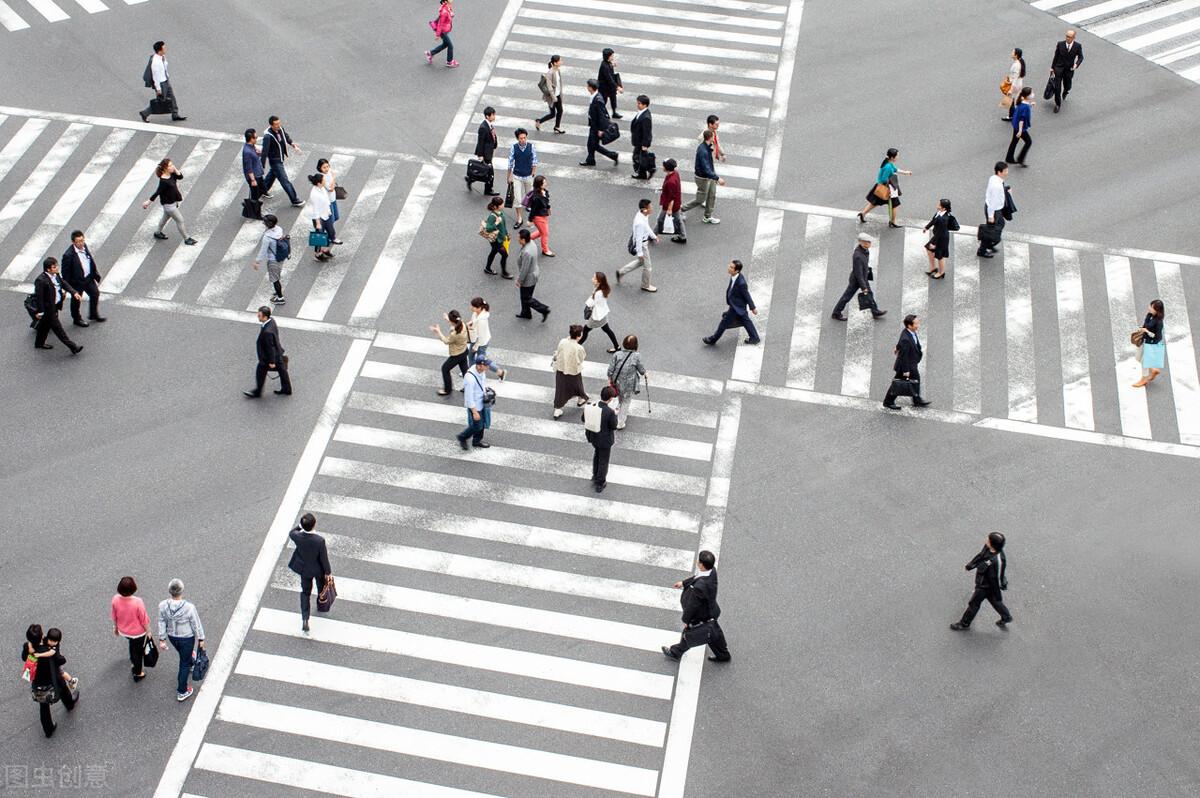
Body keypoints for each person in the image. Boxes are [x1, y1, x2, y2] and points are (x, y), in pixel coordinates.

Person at [662, 550, 731, 662]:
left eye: (699, 561)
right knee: (713, 631)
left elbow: (692, 606)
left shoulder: (700, 587)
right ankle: (723, 655)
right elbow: (696, 577)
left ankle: (675, 653)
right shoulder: (711, 572)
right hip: (710, 611)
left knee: (689, 634)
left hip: (700, 615)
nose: (697, 562)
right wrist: (684, 583)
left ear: (702, 565)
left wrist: (686, 620)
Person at [950, 532, 1013, 631]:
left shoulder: (998, 560)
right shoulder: (988, 548)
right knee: (995, 602)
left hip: (986, 586)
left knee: (974, 604)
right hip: (983, 580)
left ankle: (964, 623)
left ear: (993, 544)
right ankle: (1006, 617)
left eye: (988, 539)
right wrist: (970, 565)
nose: (986, 539)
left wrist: (1001, 586)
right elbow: (981, 556)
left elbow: (999, 576)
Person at [157, 579, 206, 702]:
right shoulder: (189, 607)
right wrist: (201, 638)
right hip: (187, 637)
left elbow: (161, 621)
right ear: (182, 591)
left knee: (184, 655)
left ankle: (190, 660)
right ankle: (182, 690)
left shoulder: (163, 605)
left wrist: (162, 639)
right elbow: (196, 624)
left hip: (172, 636)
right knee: (183, 664)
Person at [24, 625, 77, 737]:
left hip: (37, 682)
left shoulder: (28, 648)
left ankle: (48, 729)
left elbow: (24, 657)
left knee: (43, 706)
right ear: (40, 637)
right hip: (53, 679)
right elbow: (60, 660)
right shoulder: (47, 650)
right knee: (63, 689)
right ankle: (70, 704)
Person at [288, 512, 332, 633]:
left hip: (304, 570)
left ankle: (305, 619)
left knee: (305, 592)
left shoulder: (297, 536)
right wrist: (328, 571)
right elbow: (324, 558)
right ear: (314, 524)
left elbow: (291, 532)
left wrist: (299, 526)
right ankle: (321, 604)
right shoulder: (319, 541)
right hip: (318, 569)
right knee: (321, 587)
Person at [703, 259, 760, 345]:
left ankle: (712, 340)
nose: (729, 268)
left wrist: (753, 308)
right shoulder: (734, 276)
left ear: (737, 270)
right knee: (745, 320)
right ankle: (755, 338)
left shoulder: (741, 283)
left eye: (731, 267)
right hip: (736, 305)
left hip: (736, 306)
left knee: (724, 323)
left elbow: (747, 295)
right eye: (730, 266)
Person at [32, 257, 83, 354]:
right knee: (59, 329)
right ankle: (73, 347)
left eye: (56, 266)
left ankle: (39, 343)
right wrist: (40, 311)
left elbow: (63, 283)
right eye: (54, 267)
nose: (57, 268)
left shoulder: (56, 275)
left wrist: (74, 292)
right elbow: (39, 298)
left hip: (55, 306)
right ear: (48, 269)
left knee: (44, 326)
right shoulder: (41, 281)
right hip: (48, 309)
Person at [142, 158, 197, 245]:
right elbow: (157, 192)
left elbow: (180, 177)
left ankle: (157, 233)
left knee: (164, 219)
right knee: (180, 220)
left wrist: (175, 169)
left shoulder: (172, 174)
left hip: (173, 202)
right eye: (170, 165)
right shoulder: (163, 181)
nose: (172, 166)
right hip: (169, 205)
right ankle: (187, 239)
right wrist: (148, 202)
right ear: (165, 168)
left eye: (172, 164)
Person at [832, 233, 886, 320]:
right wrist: (863, 287)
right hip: (857, 280)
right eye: (868, 242)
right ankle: (836, 313)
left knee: (869, 294)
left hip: (863, 277)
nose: (870, 243)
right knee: (847, 297)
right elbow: (858, 273)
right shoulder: (858, 256)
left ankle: (875, 311)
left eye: (869, 242)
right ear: (862, 242)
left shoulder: (865, 250)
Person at [883, 314, 932, 409]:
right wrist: (906, 371)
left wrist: (897, 347)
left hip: (912, 363)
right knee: (897, 383)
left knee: (916, 380)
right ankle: (888, 402)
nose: (918, 325)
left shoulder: (909, 332)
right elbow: (903, 356)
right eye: (916, 323)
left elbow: (901, 342)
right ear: (909, 325)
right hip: (906, 366)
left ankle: (916, 400)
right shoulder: (906, 338)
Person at [244, 305, 292, 397]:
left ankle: (258, 392)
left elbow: (270, 347)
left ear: (265, 317)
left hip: (268, 357)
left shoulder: (267, 332)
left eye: (259, 315)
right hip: (278, 352)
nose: (258, 317)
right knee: (282, 370)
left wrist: (271, 361)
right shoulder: (271, 321)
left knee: (260, 372)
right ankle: (287, 389)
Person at [858, 148, 912, 228]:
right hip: (885, 188)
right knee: (894, 205)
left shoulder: (888, 163)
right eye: (897, 156)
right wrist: (889, 188)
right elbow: (884, 179)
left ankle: (863, 214)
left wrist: (906, 172)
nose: (898, 157)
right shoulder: (888, 167)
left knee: (874, 203)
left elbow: (895, 169)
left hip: (879, 187)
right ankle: (892, 222)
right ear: (892, 157)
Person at [111, 576, 152, 681]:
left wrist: (116, 628)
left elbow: (114, 615)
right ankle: (138, 672)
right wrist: (148, 631)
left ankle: (133, 659)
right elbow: (144, 619)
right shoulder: (138, 602)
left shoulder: (115, 599)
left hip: (123, 630)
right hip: (138, 633)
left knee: (132, 645)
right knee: (137, 652)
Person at [60, 230, 105, 326]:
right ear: (73, 242)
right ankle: (76, 319)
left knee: (95, 294)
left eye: (82, 240)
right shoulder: (68, 255)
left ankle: (93, 314)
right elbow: (65, 273)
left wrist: (94, 274)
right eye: (78, 241)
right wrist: (67, 287)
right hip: (77, 282)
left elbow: (89, 260)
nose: (81, 243)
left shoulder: (84, 247)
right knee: (76, 301)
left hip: (88, 278)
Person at [679, 129, 723, 225]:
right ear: (710, 138)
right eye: (713, 137)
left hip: (709, 176)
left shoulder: (706, 146)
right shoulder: (703, 150)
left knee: (712, 194)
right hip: (703, 178)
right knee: (700, 199)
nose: (714, 138)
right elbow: (706, 168)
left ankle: (707, 216)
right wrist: (717, 178)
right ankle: (681, 208)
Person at [260, 116, 304, 207]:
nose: (278, 126)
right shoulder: (268, 137)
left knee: (272, 175)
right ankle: (294, 200)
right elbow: (264, 151)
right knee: (285, 181)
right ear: (271, 125)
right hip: (275, 161)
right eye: (276, 124)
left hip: (279, 158)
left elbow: (285, 136)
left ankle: (261, 190)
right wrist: (262, 165)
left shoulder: (280, 129)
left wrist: (293, 144)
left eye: (279, 123)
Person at [616, 198, 658, 292]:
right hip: (642, 245)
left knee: (640, 262)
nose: (652, 208)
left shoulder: (642, 215)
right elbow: (639, 239)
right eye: (650, 207)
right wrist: (640, 253)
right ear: (645, 209)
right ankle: (645, 285)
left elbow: (647, 227)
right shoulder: (640, 223)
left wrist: (653, 236)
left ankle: (621, 272)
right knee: (648, 267)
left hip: (643, 243)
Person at [139, 40, 186, 122]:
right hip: (161, 84)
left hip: (166, 80)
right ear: (159, 50)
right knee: (160, 102)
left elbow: (165, 66)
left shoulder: (162, 57)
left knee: (172, 98)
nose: (166, 49)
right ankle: (145, 113)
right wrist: (158, 89)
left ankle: (175, 114)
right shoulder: (155, 62)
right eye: (164, 48)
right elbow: (155, 76)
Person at [583, 385, 619, 491]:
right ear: (611, 399)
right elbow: (614, 426)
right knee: (603, 460)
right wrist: (615, 414)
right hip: (605, 440)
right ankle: (600, 482)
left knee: (597, 455)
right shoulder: (610, 412)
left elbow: (583, 418)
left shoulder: (592, 405)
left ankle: (595, 475)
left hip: (594, 437)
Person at [607, 335, 645, 429]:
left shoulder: (617, 354)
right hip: (628, 385)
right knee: (626, 401)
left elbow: (610, 370)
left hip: (616, 381)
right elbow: (641, 370)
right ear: (636, 345)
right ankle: (620, 423)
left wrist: (609, 380)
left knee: (619, 395)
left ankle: (617, 407)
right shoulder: (636, 356)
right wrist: (645, 373)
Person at [552, 325, 590, 419]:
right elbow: (581, 358)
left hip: (561, 369)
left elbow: (559, 350)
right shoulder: (579, 348)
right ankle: (581, 398)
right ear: (579, 336)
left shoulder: (563, 341)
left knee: (560, 388)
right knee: (577, 385)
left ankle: (558, 408)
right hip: (573, 370)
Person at [430, 309, 469, 396]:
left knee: (445, 368)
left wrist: (438, 331)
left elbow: (446, 341)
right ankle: (470, 386)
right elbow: (455, 323)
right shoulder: (462, 324)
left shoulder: (455, 334)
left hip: (457, 355)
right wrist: (448, 320)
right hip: (464, 350)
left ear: (453, 321)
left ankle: (447, 390)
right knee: (465, 371)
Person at [580, 79, 619, 167]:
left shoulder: (598, 100)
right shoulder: (595, 96)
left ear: (590, 88)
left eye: (588, 86)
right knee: (591, 144)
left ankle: (613, 155)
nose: (587, 87)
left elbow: (602, 116)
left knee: (593, 145)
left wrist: (601, 129)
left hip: (597, 126)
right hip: (594, 125)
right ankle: (590, 159)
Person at [514, 229, 550, 322]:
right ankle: (526, 313)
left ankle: (543, 309)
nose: (517, 239)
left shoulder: (526, 252)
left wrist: (519, 281)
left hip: (528, 278)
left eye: (519, 237)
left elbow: (524, 269)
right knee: (525, 296)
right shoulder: (531, 243)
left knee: (526, 298)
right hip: (534, 273)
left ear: (523, 240)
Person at [456, 357, 492, 450]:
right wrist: (474, 412)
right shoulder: (470, 378)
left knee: (482, 423)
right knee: (478, 425)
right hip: (475, 405)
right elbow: (468, 397)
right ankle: (462, 437)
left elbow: (482, 384)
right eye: (486, 365)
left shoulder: (481, 371)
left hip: (482, 402)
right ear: (480, 366)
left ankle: (477, 441)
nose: (488, 367)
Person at [579, 271, 620, 352]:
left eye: (594, 278)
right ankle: (617, 347)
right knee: (607, 330)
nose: (592, 279)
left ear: (599, 281)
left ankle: (577, 346)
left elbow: (590, 303)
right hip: (603, 314)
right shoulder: (603, 289)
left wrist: (591, 297)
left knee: (586, 330)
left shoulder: (598, 293)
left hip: (596, 317)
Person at [466, 296, 506, 377]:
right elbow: (474, 321)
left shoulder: (482, 320)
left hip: (481, 343)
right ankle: (472, 372)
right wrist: (471, 323)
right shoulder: (476, 313)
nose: (471, 308)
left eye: (473, 306)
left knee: (481, 360)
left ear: (479, 308)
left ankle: (500, 372)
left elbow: (481, 335)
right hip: (476, 339)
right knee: (471, 356)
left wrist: (476, 347)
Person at [252, 214, 287, 305]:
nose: (263, 223)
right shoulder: (279, 229)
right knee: (277, 274)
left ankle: (280, 297)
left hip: (273, 260)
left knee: (275, 279)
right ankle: (278, 291)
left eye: (265, 222)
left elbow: (263, 251)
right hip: (281, 256)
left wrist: (257, 262)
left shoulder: (267, 237)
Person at [977, 161, 1009, 258]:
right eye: (1005, 171)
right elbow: (993, 202)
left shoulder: (994, 178)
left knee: (1000, 224)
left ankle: (990, 244)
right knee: (990, 230)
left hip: (995, 209)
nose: (1007, 172)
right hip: (994, 210)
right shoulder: (997, 186)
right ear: (999, 172)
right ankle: (983, 250)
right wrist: (991, 216)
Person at [507, 128, 538, 228]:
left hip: (528, 175)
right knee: (517, 198)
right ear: (517, 139)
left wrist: (533, 172)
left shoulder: (531, 147)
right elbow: (510, 163)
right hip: (517, 176)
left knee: (529, 195)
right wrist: (509, 177)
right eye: (521, 138)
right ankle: (519, 218)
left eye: (524, 138)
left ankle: (528, 206)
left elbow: (534, 160)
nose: (523, 140)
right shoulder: (514, 148)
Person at [1050, 28, 1084, 113]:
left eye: (1069, 37)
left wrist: (1076, 65)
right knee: (1057, 87)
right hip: (1059, 68)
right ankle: (1058, 104)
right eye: (1066, 36)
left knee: (1067, 85)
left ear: (1073, 38)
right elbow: (1056, 56)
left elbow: (1081, 57)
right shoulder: (1060, 44)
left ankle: (1066, 91)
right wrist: (1052, 67)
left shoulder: (1077, 46)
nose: (1067, 38)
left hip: (1069, 69)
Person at [1133, 299, 1165, 388]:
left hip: (1151, 344)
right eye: (1150, 306)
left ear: (1157, 310)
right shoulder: (1149, 315)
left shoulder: (1159, 322)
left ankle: (1144, 379)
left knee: (1144, 362)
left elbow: (1157, 337)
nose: (1149, 308)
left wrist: (1146, 331)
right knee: (1138, 357)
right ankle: (1153, 369)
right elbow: (1146, 325)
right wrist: (1142, 329)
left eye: (1152, 307)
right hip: (1144, 340)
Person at [923, 199, 956, 279]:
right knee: (929, 250)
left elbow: (940, 233)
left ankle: (941, 273)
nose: (937, 205)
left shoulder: (943, 219)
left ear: (944, 208)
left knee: (940, 256)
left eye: (939, 205)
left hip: (941, 239)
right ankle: (933, 268)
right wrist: (927, 227)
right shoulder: (939, 213)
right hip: (938, 236)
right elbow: (933, 220)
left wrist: (934, 244)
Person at [657, 158, 686, 244]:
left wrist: (669, 209)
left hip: (670, 205)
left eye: (663, 166)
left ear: (667, 168)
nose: (662, 167)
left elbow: (671, 197)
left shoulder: (671, 182)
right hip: (676, 202)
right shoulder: (675, 173)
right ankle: (683, 236)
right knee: (677, 219)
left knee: (660, 219)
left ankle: (653, 235)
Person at [306, 173, 334, 262]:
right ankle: (318, 254)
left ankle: (325, 250)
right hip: (319, 218)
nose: (325, 181)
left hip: (326, 214)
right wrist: (318, 223)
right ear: (319, 183)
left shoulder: (322, 188)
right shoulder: (314, 194)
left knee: (331, 233)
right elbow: (315, 210)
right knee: (319, 238)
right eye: (323, 180)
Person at [481, 196, 512, 278]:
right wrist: (496, 223)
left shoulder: (500, 213)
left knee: (493, 252)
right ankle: (504, 273)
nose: (503, 205)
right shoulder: (492, 216)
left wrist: (506, 233)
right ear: (496, 206)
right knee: (504, 255)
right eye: (501, 204)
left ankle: (487, 268)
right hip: (496, 240)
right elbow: (488, 228)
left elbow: (503, 226)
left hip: (500, 238)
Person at [472, 107, 499, 196]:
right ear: (487, 116)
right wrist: (480, 155)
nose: (494, 116)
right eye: (493, 115)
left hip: (489, 152)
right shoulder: (483, 127)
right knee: (490, 172)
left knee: (484, 171)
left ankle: (470, 179)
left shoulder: (489, 124)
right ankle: (488, 190)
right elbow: (480, 142)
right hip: (485, 153)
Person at [535, 55, 564, 133]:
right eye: (560, 61)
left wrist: (560, 93)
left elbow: (558, 83)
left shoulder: (558, 70)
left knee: (560, 111)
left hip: (557, 94)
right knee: (552, 114)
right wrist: (554, 97)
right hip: (551, 97)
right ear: (555, 63)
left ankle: (557, 127)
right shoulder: (550, 73)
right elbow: (549, 87)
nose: (561, 62)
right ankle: (539, 121)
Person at [1006, 87, 1034, 167]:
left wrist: (1030, 105)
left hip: (1015, 124)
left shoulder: (1021, 101)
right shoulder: (1026, 107)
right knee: (1028, 142)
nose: (1033, 94)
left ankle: (1009, 157)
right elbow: (1022, 119)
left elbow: (1021, 110)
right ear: (1027, 96)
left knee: (1014, 141)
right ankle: (1020, 159)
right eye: (1031, 93)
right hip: (1019, 127)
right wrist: (1020, 131)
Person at [527, 174, 554, 256]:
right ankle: (545, 250)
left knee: (541, 232)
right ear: (539, 185)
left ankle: (527, 239)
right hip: (538, 217)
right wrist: (530, 220)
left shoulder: (544, 191)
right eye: (544, 182)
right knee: (545, 234)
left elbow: (546, 202)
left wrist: (548, 208)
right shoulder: (536, 197)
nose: (546, 183)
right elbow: (533, 210)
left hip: (543, 215)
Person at [425, 0, 458, 68]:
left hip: (446, 30)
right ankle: (449, 62)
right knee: (450, 46)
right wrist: (437, 35)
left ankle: (430, 53)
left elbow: (451, 15)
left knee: (445, 44)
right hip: (443, 31)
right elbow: (440, 24)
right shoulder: (444, 12)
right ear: (445, 1)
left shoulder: (447, 7)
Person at [317, 158, 343, 243]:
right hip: (327, 202)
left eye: (327, 166)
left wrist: (332, 176)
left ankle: (326, 231)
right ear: (320, 168)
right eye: (324, 167)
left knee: (336, 217)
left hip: (333, 199)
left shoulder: (329, 172)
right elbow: (330, 189)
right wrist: (334, 177)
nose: (327, 169)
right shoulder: (322, 177)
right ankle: (330, 236)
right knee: (330, 220)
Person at [630, 95, 653, 180]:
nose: (637, 105)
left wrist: (645, 144)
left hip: (641, 142)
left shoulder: (646, 117)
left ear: (645, 105)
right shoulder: (642, 112)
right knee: (641, 157)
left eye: (639, 103)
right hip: (638, 140)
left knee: (636, 157)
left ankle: (649, 169)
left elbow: (647, 132)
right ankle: (642, 174)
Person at [242, 128, 268, 202]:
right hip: (254, 176)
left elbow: (255, 156)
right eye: (255, 137)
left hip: (258, 174)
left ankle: (262, 195)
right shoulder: (247, 152)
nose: (256, 139)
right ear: (251, 139)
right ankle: (253, 211)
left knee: (262, 189)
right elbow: (248, 168)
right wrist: (253, 180)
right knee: (254, 197)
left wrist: (258, 153)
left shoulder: (252, 146)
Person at [1001, 48, 1026, 122]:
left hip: (1015, 85)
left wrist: (1011, 90)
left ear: (1016, 55)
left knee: (1011, 100)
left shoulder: (1017, 65)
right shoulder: (1019, 62)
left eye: (1013, 52)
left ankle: (1013, 116)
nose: (1011, 53)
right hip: (1017, 84)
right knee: (1012, 100)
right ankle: (1012, 115)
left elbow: (1015, 78)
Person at [597, 48, 623, 118]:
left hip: (610, 87)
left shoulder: (607, 63)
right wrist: (618, 87)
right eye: (612, 56)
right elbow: (610, 79)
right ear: (608, 56)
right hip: (604, 87)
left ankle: (614, 112)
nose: (613, 57)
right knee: (603, 101)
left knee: (613, 99)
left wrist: (612, 65)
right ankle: (601, 114)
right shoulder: (604, 66)